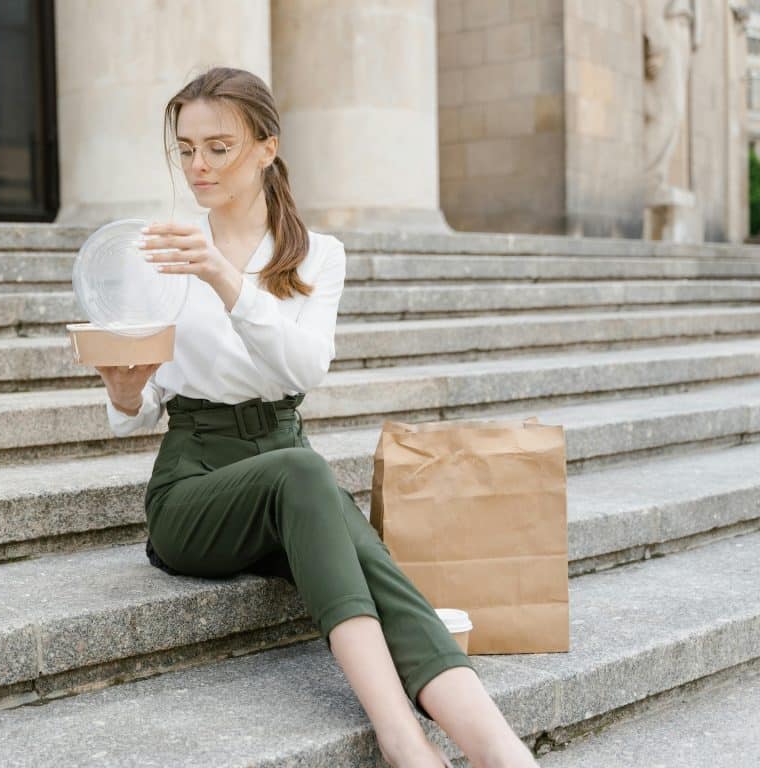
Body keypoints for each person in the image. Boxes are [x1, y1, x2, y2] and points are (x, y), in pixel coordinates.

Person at [94, 67, 538, 768]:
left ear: (266, 150)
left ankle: (501, 751)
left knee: (363, 553)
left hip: (288, 467)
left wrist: (223, 276)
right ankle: (401, 737)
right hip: (194, 486)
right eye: (185, 148)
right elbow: (140, 406)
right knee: (311, 479)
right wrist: (125, 392)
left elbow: (301, 370)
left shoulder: (316, 256)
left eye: (218, 147)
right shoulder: (158, 255)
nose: (198, 166)